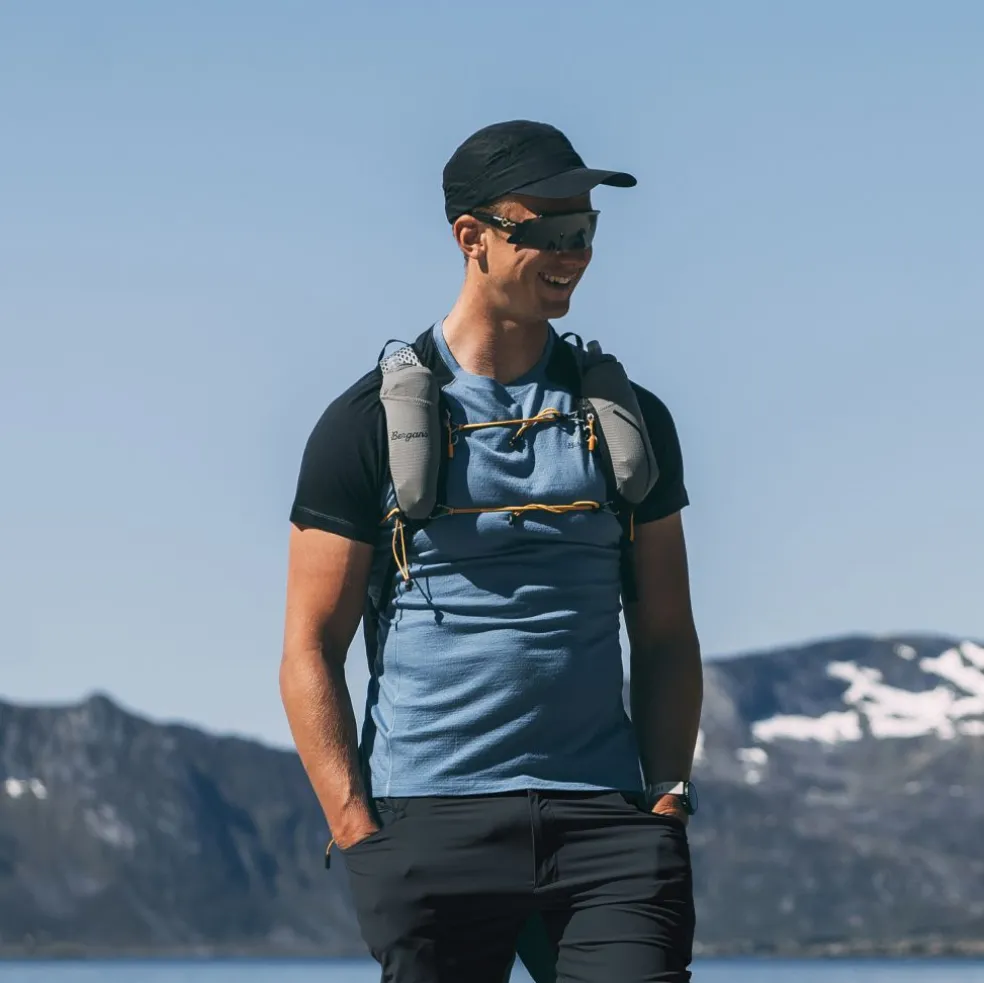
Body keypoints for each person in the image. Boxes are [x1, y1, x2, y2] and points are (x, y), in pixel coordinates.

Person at [280, 119, 704, 983]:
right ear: (471, 236)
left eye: (585, 228)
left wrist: (666, 799)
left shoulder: (630, 422)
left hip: (607, 828)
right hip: (430, 823)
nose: (574, 252)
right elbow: (309, 647)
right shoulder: (365, 425)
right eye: (547, 229)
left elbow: (665, 631)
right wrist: (357, 831)